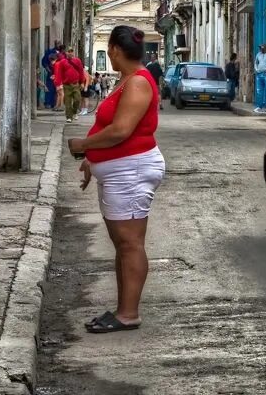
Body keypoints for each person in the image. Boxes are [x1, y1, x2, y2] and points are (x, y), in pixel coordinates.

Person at [67, 26, 166, 334]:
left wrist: (82, 146)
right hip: (122, 170)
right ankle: (124, 309)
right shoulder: (127, 80)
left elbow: (121, 130)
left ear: (113, 50)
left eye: (109, 50)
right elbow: (108, 127)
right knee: (123, 244)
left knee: (130, 243)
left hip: (132, 171)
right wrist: (92, 160)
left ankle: (129, 313)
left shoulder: (137, 82)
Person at [54, 46, 87, 122]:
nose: (70, 53)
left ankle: (74, 112)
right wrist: (58, 84)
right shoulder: (62, 62)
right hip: (66, 85)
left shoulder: (77, 61)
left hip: (76, 84)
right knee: (67, 102)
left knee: (77, 99)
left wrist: (82, 82)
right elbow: (59, 73)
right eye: (69, 51)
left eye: (71, 51)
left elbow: (81, 72)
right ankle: (69, 117)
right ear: (66, 53)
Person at [40, 42, 64, 109]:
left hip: (58, 73)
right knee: (50, 87)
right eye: (58, 44)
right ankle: (49, 103)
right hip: (51, 72)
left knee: (59, 90)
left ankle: (57, 104)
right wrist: (48, 69)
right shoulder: (50, 52)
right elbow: (44, 61)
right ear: (55, 44)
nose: (59, 45)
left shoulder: (62, 53)